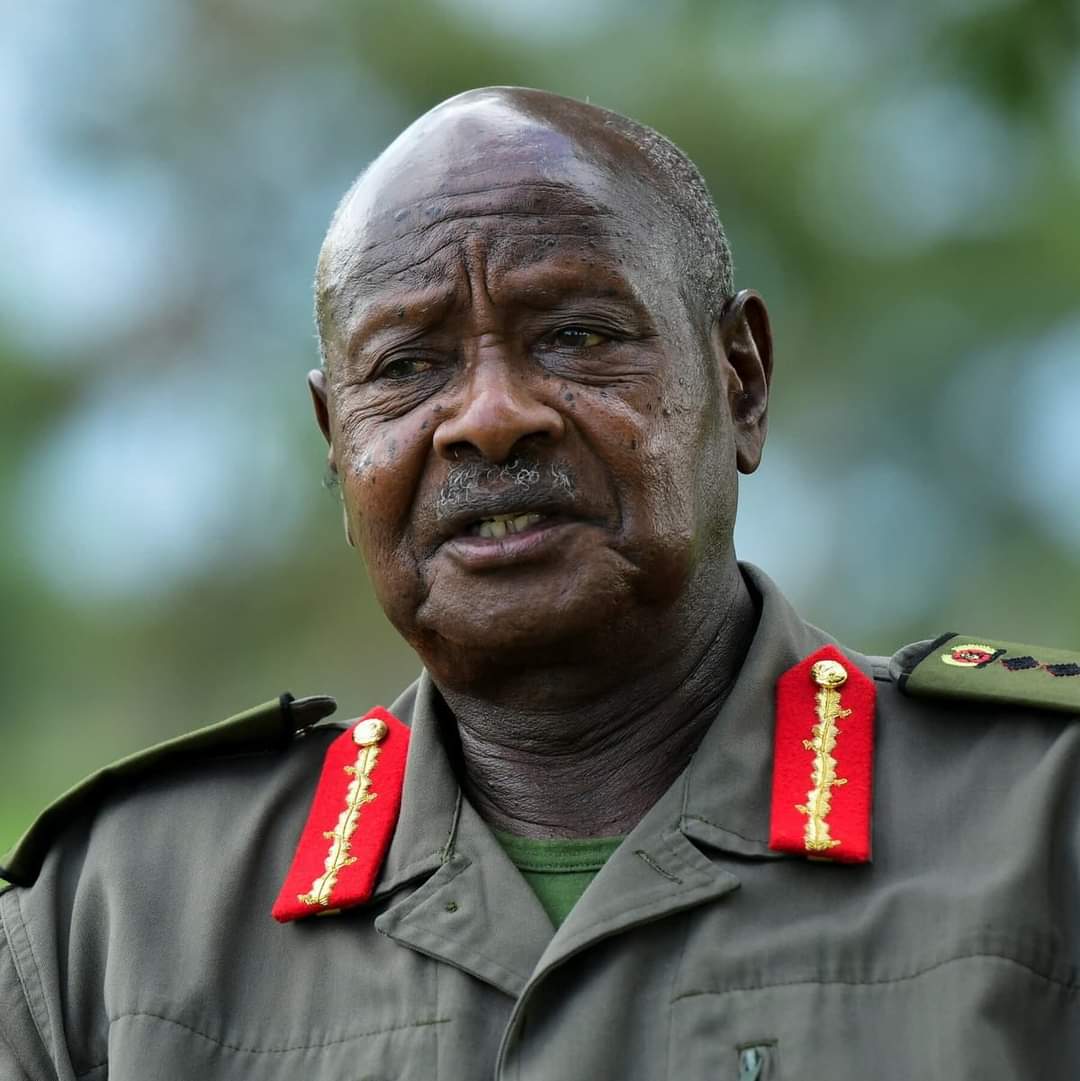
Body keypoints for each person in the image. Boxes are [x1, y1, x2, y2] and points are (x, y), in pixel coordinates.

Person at [2, 86, 1079, 1081]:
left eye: (576, 335)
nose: (489, 417)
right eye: (406, 367)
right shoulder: (115, 925)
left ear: (742, 382)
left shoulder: (1044, 825)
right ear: (338, 440)